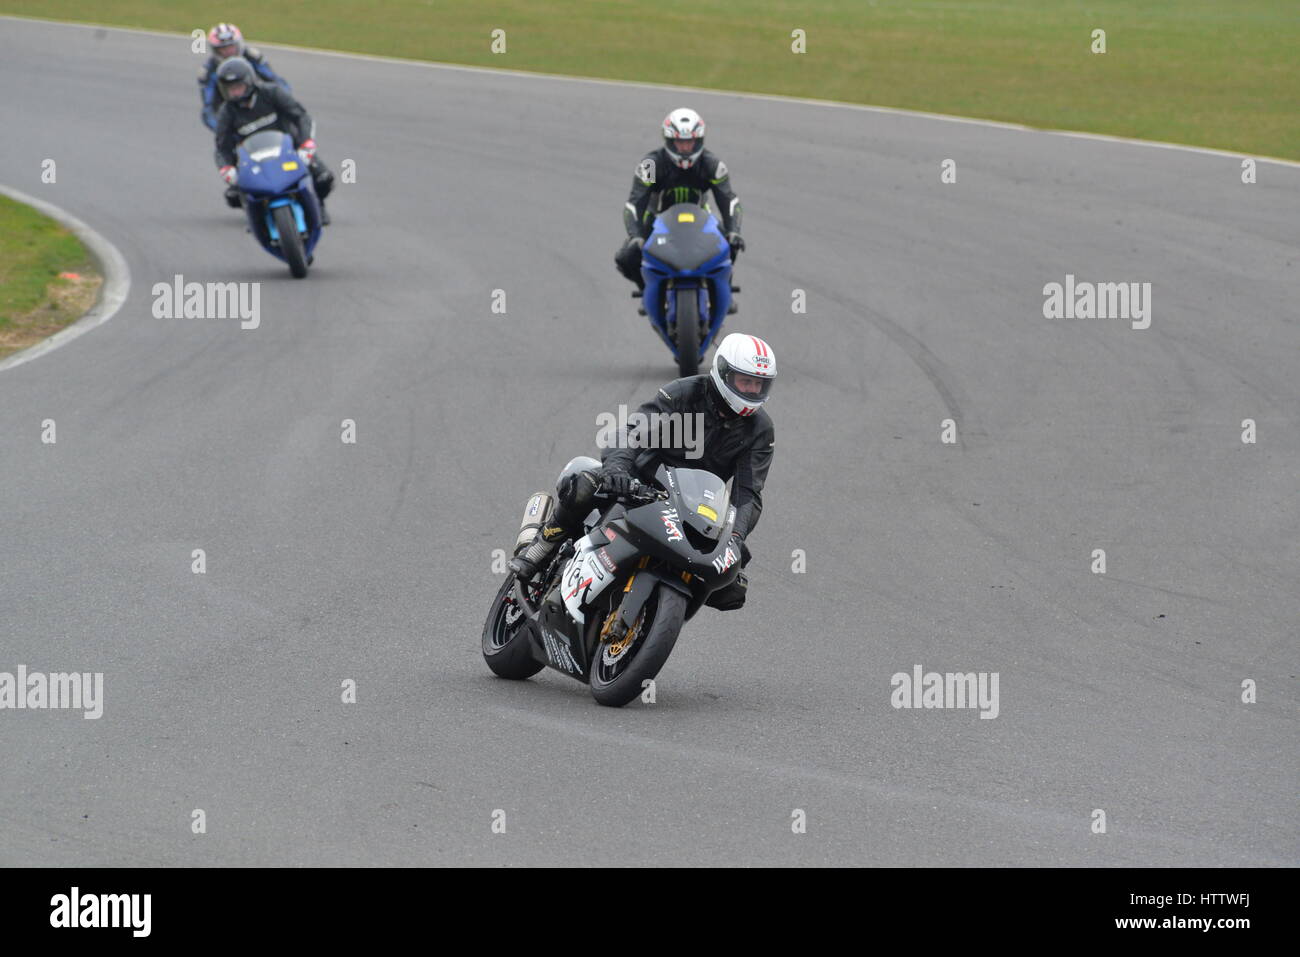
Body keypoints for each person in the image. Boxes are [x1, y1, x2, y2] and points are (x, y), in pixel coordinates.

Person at [508, 333, 776, 611]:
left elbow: (748, 494)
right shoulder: (684, 393)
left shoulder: (760, 430)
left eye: (759, 384)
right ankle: (543, 544)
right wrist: (618, 470)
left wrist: (735, 537)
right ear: (724, 373)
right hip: (641, 482)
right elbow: (633, 432)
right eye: (745, 381)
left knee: (730, 584)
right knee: (586, 480)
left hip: (692, 506)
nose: (752, 391)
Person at [615, 108, 745, 293]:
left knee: (730, 244)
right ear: (669, 141)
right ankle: (648, 290)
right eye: (679, 142)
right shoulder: (650, 165)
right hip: (656, 218)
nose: (684, 148)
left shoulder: (712, 164)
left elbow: (728, 199)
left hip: (701, 217)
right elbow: (635, 202)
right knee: (627, 257)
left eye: (690, 142)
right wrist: (635, 235)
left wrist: (734, 231)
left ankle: (722, 287)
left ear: (699, 140)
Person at [212, 57, 334, 221]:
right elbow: (222, 147)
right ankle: (256, 216)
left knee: (324, 177)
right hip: (253, 159)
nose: (234, 92)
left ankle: (317, 204)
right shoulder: (226, 112)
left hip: (290, 149)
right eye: (229, 89)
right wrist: (227, 168)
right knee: (233, 196)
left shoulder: (271, 93)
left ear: (249, 82)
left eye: (238, 87)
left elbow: (301, 116)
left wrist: (306, 143)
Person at [197, 23, 291, 131]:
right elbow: (208, 109)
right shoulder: (208, 72)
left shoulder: (253, 56)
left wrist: (284, 103)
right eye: (223, 48)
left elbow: (277, 81)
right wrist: (223, 129)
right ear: (216, 50)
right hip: (233, 116)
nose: (228, 52)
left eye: (231, 46)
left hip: (261, 106)